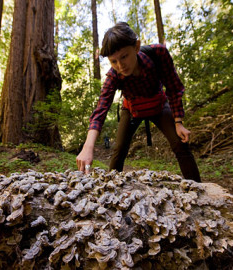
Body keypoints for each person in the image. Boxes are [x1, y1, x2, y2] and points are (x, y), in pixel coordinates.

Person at [76, 22, 201, 182]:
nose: (120, 65)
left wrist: (178, 121)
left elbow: (173, 87)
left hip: (159, 106)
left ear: (136, 47)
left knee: (180, 144)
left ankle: (199, 189)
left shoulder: (158, 54)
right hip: (131, 110)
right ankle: (110, 190)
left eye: (124, 56)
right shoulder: (113, 76)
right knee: (119, 150)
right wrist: (88, 147)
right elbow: (101, 109)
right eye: (113, 61)